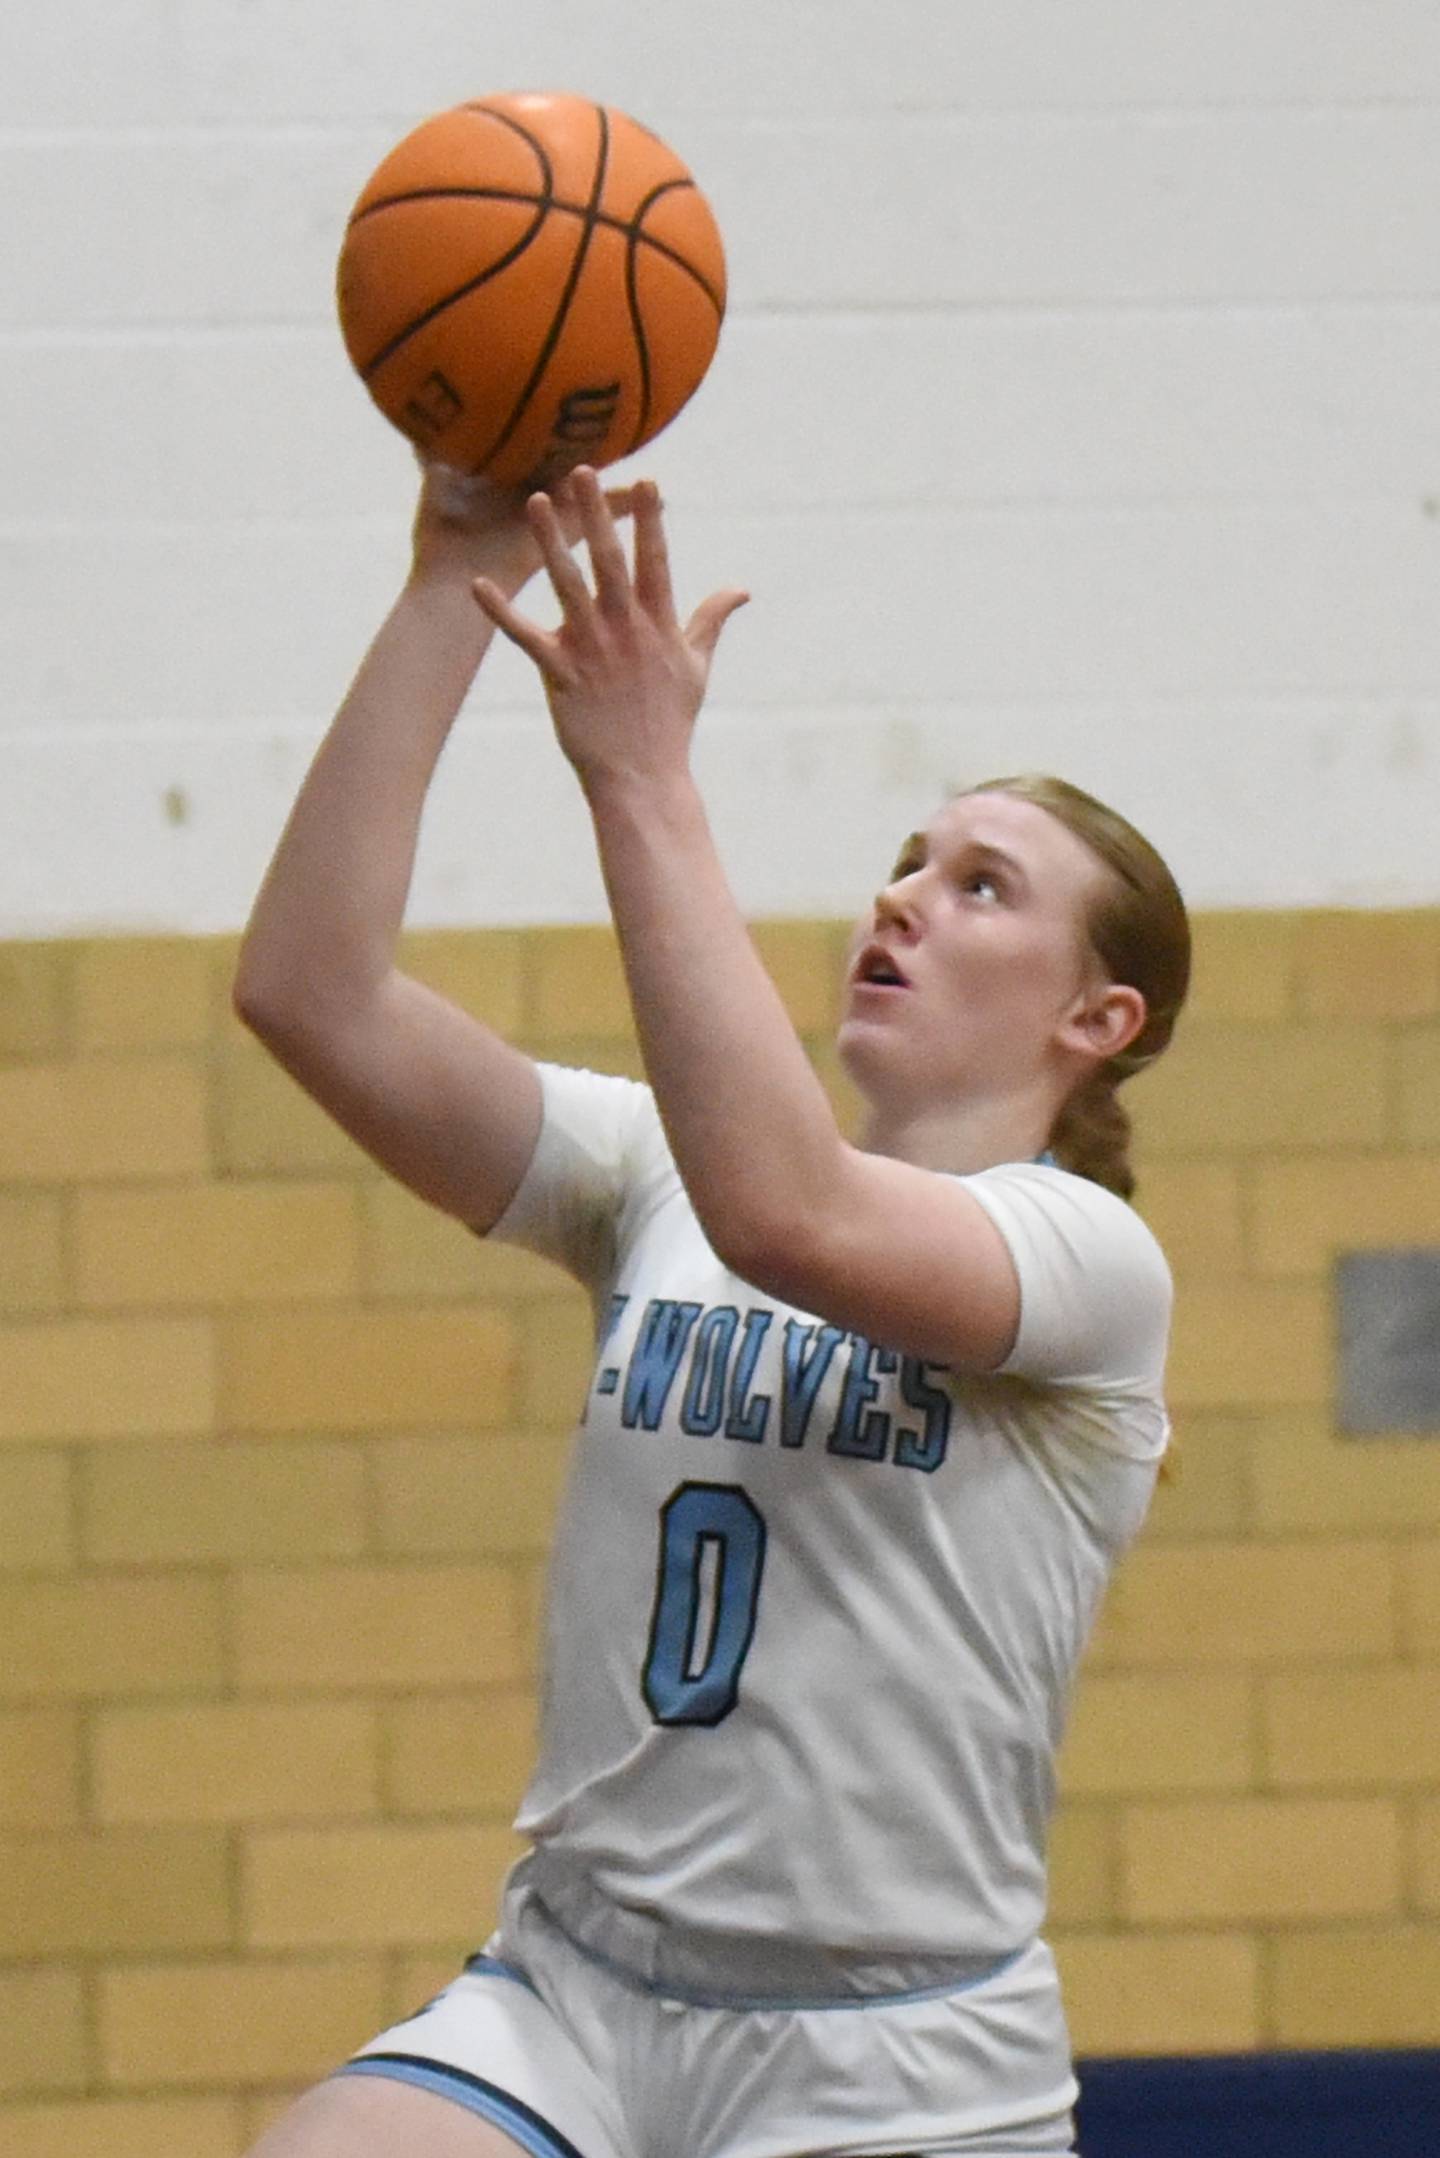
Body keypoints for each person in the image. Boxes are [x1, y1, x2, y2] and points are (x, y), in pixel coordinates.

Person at [236, 462, 1190, 2158]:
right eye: (910, 857)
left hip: (897, 2056)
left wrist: (642, 773)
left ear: (1097, 1019)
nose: (903, 896)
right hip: (579, 1990)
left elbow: (792, 1214)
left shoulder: (1089, 1266)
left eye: (983, 886)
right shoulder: (648, 1176)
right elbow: (313, 990)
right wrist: (447, 577)